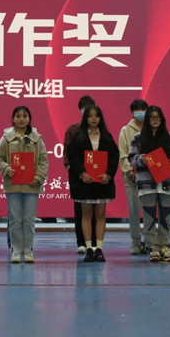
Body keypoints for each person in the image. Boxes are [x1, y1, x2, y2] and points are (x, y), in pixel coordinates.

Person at [129, 106, 170, 263]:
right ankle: (152, 246)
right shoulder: (138, 138)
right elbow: (131, 158)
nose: (155, 120)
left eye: (157, 117)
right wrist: (142, 159)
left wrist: (169, 167)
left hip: (167, 183)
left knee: (165, 216)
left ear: (162, 119)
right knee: (149, 216)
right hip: (147, 184)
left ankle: (165, 245)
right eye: (152, 117)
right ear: (147, 119)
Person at [0, 106, 49, 263]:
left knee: (29, 219)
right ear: (13, 119)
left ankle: (28, 249)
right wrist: (6, 169)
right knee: (15, 219)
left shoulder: (37, 138)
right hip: (13, 185)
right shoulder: (6, 138)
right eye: (18, 116)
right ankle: (16, 250)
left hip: (32, 185)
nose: (21, 119)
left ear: (29, 119)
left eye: (24, 116)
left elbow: (43, 160)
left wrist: (38, 177)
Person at [68, 105, 119, 263]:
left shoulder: (107, 136)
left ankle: (99, 249)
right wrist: (82, 174)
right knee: (86, 215)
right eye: (90, 116)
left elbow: (114, 157)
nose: (94, 118)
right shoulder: (79, 136)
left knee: (100, 215)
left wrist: (108, 174)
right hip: (85, 182)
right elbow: (73, 157)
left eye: (96, 115)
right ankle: (89, 248)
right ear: (86, 118)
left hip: (102, 183)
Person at [64, 95, 97, 254]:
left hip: (95, 176)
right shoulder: (73, 130)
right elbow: (67, 152)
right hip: (78, 176)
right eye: (85, 109)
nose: (88, 113)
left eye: (91, 109)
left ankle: (94, 242)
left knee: (95, 209)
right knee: (79, 210)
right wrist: (73, 169)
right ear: (80, 110)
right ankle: (81, 242)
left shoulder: (100, 131)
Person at [118, 99, 148, 255]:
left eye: (143, 109)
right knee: (134, 210)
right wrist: (129, 172)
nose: (140, 112)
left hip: (149, 177)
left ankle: (149, 240)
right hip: (131, 178)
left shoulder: (151, 129)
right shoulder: (125, 130)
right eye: (137, 110)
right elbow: (123, 154)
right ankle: (136, 241)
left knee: (149, 210)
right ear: (132, 112)